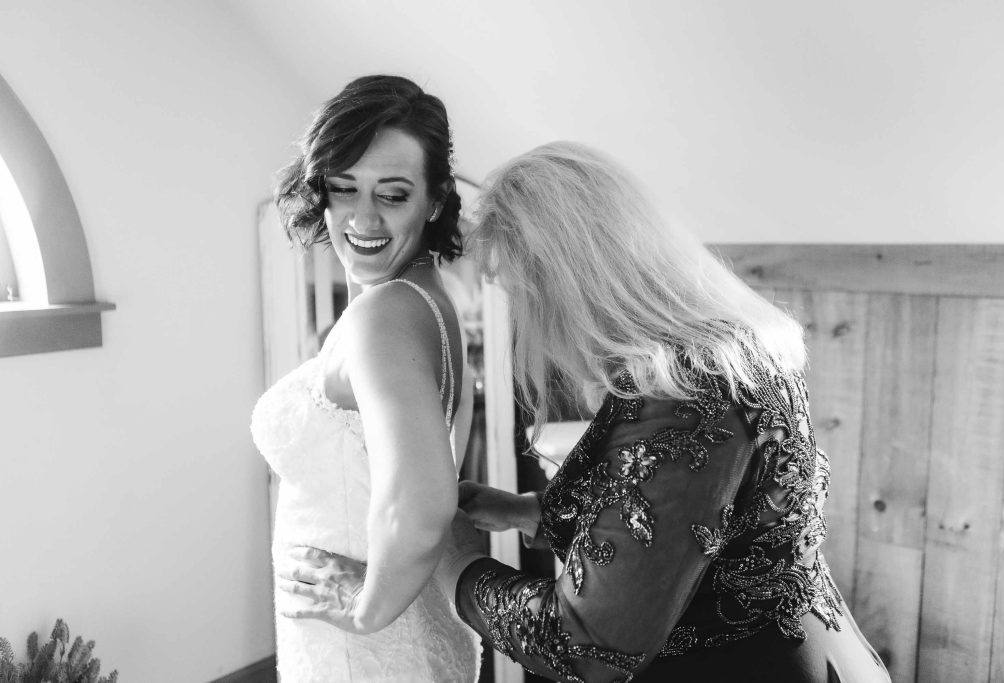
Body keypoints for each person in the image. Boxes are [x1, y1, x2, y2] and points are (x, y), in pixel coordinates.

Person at [436, 141, 893, 682]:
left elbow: (586, 645)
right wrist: (528, 511)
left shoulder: (685, 395)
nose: (527, 323)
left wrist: (460, 567)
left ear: (568, 284)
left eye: (524, 297)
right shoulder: (728, 348)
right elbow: (694, 529)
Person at [250, 75, 480, 682]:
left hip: (367, 656)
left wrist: (365, 613)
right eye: (345, 187)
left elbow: (424, 503)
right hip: (405, 635)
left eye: (394, 194)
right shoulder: (424, 301)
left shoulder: (385, 315)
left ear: (434, 201)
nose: (364, 216)